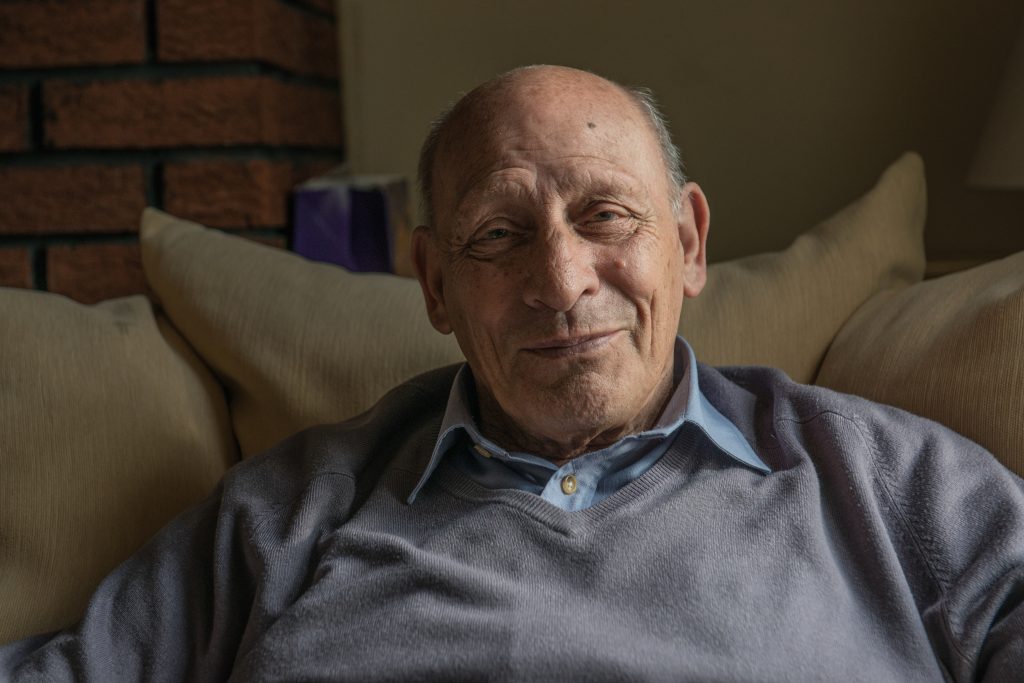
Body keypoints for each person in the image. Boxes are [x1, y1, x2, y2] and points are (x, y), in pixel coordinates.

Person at [2, 65, 1023, 681]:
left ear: (689, 240)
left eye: (605, 216)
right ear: (435, 284)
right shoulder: (293, 508)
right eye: (498, 234)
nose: (560, 279)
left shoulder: (879, 475)